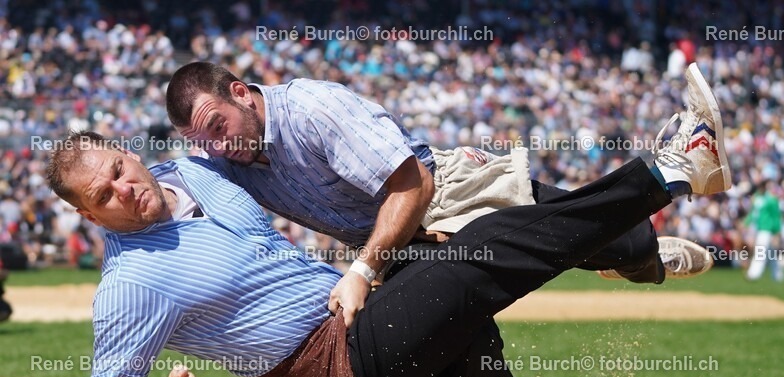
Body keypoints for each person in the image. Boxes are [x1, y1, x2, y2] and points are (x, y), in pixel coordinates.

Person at [45, 122, 776, 377]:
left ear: (129, 150)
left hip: (356, 321)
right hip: (325, 375)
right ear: (88, 213)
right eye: (100, 194)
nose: (121, 188)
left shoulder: (194, 170)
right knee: (468, 264)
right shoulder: (132, 282)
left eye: (117, 168)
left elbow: (286, 146)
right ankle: (659, 178)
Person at [164, 62, 721, 327]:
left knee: (604, 241)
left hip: (445, 196)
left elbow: (411, 184)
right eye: (201, 141)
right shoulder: (232, 159)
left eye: (218, 125)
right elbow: (169, 182)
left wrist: (360, 271)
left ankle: (674, 176)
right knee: (448, 348)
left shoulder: (312, 108)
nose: (218, 146)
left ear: (241, 92)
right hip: (397, 248)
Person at [745, 186, 784, 282]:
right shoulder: (758, 199)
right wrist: (746, 223)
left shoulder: (771, 200)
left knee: (760, 251)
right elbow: (753, 214)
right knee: (771, 254)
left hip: (767, 229)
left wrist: (777, 230)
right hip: (759, 228)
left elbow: (776, 216)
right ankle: (778, 275)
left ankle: (753, 274)